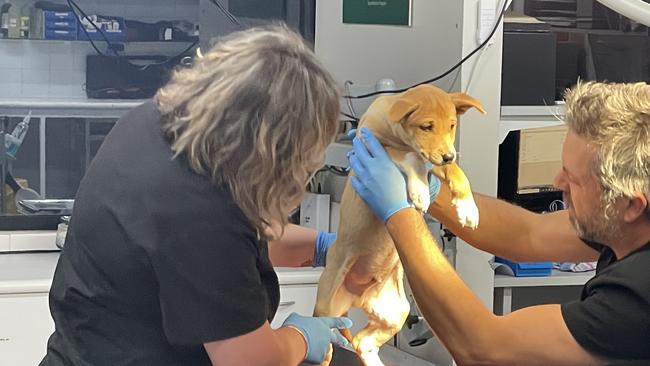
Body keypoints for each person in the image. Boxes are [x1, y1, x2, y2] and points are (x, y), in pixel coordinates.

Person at [40, 25, 351, 366]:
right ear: (269, 149)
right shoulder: (197, 208)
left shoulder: (159, 125)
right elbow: (251, 362)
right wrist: (301, 339)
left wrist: (327, 249)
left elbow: (225, 259)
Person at [348, 81, 650, 365]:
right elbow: (528, 234)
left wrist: (400, 215)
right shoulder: (624, 226)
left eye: (573, 179)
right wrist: (431, 189)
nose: (557, 182)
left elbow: (484, 349)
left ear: (630, 205)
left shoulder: (638, 297)